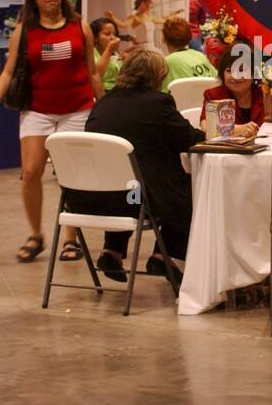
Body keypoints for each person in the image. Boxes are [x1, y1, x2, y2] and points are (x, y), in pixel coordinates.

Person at [0, 0, 103, 263]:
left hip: (77, 109)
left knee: (71, 175)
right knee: (30, 172)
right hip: (37, 110)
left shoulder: (80, 26)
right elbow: (9, 71)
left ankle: (71, 237)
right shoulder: (24, 30)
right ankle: (35, 235)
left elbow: (92, 71)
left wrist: (104, 106)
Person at [77, 49, 204, 284]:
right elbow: (189, 139)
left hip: (90, 198)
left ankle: (112, 251)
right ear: (158, 76)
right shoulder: (158, 103)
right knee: (193, 187)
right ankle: (163, 255)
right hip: (135, 200)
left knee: (127, 179)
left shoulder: (103, 103)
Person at [198, 42, 272, 135]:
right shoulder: (214, 95)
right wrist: (238, 130)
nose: (235, 76)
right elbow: (206, 127)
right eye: (229, 71)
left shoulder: (267, 93)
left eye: (241, 70)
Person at [160, 15, 215, 92]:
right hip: (207, 98)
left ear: (164, 39)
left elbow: (162, 92)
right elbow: (216, 80)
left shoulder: (166, 63)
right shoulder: (200, 55)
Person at [91, 17, 122, 92]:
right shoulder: (90, 54)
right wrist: (109, 50)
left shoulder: (115, 54)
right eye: (107, 34)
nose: (112, 37)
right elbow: (96, 75)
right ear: (95, 38)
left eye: (114, 34)